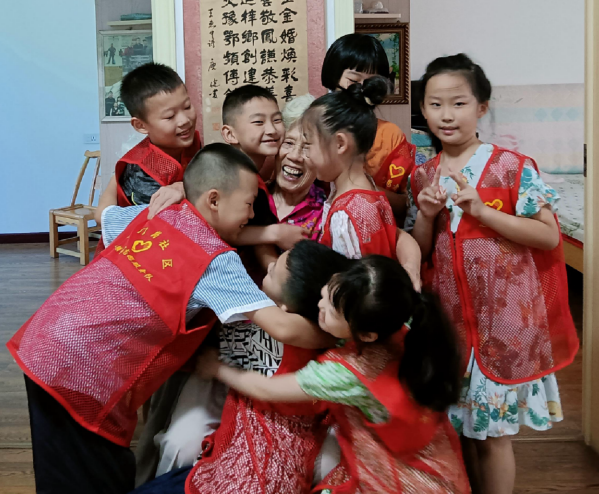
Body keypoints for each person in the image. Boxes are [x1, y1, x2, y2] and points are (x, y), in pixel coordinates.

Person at [6, 144, 332, 494]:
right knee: (94, 475)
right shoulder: (215, 260)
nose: (252, 214)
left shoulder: (158, 213)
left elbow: (104, 215)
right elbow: (284, 327)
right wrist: (341, 332)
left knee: (58, 464)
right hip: (84, 371)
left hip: (44, 339)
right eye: (249, 203)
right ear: (214, 199)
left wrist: (114, 174)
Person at [407, 53, 579, 494]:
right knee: (462, 429)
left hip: (504, 325)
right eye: (435, 104)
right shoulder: (423, 174)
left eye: (459, 103)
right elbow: (421, 253)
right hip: (451, 327)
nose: (447, 115)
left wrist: (484, 213)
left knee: (494, 436)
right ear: (423, 109)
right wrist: (425, 215)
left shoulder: (512, 167)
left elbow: (547, 236)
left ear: (481, 107)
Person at [198, 256, 470, 493]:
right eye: (324, 295)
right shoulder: (401, 320)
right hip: (430, 446)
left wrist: (216, 368)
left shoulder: (343, 374)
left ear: (366, 335)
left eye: (330, 312)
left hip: (405, 473)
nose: (320, 306)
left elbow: (266, 389)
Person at [131, 241, 354, 494]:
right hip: (284, 466)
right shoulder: (330, 343)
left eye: (273, 272)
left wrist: (215, 367)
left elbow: (254, 377)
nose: (269, 266)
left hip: (243, 473)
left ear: (286, 309)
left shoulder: (264, 336)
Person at [301, 76, 421, 282]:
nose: (305, 156)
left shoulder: (345, 216)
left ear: (340, 144)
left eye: (308, 145)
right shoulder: (370, 190)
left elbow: (353, 286)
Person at [321, 33, 416, 222]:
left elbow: (404, 207)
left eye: (372, 82)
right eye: (353, 81)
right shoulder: (317, 127)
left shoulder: (391, 136)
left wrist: (361, 187)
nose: (362, 89)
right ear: (333, 77)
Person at [96, 63, 201, 220]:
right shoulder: (141, 173)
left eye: (187, 107)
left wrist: (185, 187)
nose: (184, 120)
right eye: (169, 116)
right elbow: (169, 221)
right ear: (141, 125)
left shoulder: (189, 142)